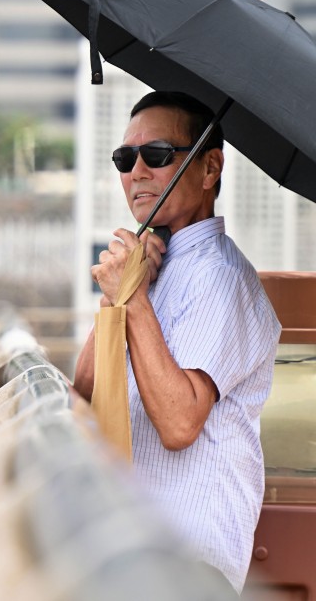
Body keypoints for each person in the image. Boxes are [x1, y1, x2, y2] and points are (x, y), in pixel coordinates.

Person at [73, 91, 281, 593]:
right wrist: (115, 297)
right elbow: (83, 388)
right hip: (134, 556)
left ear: (209, 169)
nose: (137, 171)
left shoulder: (222, 278)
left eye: (158, 154)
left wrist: (135, 299)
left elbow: (180, 422)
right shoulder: (154, 266)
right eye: (125, 158)